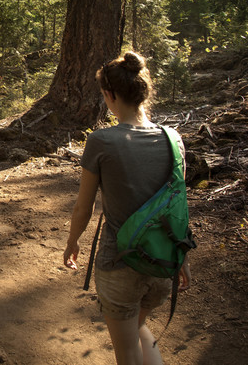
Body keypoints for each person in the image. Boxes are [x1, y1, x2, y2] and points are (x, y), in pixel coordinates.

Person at [63, 51, 191, 365]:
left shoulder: (102, 141)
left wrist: (72, 242)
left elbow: (84, 206)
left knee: (127, 352)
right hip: (162, 263)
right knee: (137, 327)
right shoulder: (173, 139)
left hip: (119, 264)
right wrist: (182, 255)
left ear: (110, 94)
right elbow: (178, 205)